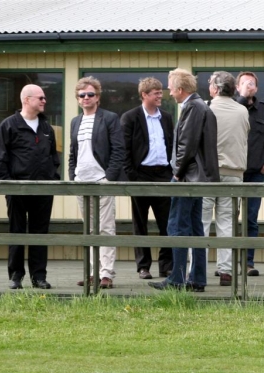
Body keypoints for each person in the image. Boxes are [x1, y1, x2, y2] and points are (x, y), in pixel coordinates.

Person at [149, 68, 219, 293]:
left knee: (177, 225)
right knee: (195, 228)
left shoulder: (193, 107)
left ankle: (177, 279)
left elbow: (186, 144)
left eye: (171, 88)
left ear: (180, 89)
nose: (169, 93)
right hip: (197, 177)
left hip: (188, 177)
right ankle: (197, 279)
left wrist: (177, 173)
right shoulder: (201, 106)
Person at [0, 84, 60, 290]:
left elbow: (53, 157)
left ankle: (39, 277)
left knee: (40, 233)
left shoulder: (47, 128)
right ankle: (16, 276)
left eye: (44, 98)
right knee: (17, 231)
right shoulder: (8, 125)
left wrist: (52, 179)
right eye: (40, 98)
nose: (44, 101)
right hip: (17, 190)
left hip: (43, 190)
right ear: (27, 100)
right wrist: (8, 184)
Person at [69, 76, 125, 289]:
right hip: (81, 182)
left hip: (102, 181)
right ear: (77, 98)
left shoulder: (109, 118)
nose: (86, 98)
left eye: (90, 94)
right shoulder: (75, 121)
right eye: (82, 95)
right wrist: (72, 176)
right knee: (89, 230)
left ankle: (106, 274)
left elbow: (118, 150)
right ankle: (93, 272)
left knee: (106, 228)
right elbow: (73, 152)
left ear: (98, 97)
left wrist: (108, 178)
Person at [121, 77, 174, 280]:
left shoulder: (166, 117)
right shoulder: (130, 117)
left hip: (164, 175)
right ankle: (143, 266)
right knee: (140, 223)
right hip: (140, 175)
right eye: (156, 93)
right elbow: (124, 150)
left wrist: (171, 172)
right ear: (144, 95)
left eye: (161, 92)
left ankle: (166, 266)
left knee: (167, 223)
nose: (160, 96)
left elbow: (172, 145)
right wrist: (132, 176)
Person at [202, 71, 249, 286]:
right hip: (234, 172)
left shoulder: (206, 108)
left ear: (215, 88)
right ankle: (226, 271)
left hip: (207, 173)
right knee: (227, 223)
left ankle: (197, 270)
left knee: (201, 223)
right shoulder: (242, 110)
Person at [235, 71, 264, 277]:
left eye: (252, 83)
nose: (248, 86)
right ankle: (227, 265)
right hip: (233, 172)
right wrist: (242, 98)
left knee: (250, 219)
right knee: (229, 218)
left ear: (257, 88)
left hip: (255, 173)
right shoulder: (233, 107)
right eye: (244, 83)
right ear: (237, 87)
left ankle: (248, 262)